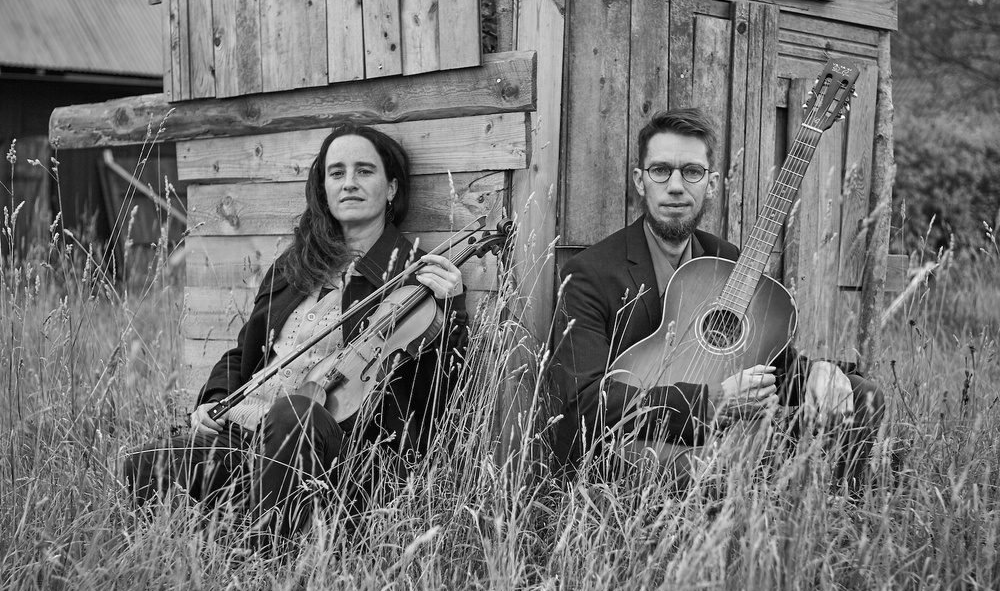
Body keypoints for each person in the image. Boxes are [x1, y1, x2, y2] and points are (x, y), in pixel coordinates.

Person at [125, 123, 466, 538]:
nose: (349, 183)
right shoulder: (295, 266)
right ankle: (221, 533)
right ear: (323, 189)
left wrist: (452, 311)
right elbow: (244, 353)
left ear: (392, 188)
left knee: (294, 411)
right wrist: (213, 401)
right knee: (146, 462)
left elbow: (437, 391)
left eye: (365, 171)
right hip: (246, 434)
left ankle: (268, 557)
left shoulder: (411, 275)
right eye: (336, 173)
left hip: (335, 450)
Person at [551, 107, 884, 488]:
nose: (676, 186)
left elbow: (768, 360)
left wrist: (821, 371)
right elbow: (585, 402)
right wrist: (712, 401)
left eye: (691, 172)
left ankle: (840, 514)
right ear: (640, 182)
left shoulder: (729, 259)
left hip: (723, 441)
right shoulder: (589, 274)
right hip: (626, 455)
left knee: (862, 396)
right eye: (661, 170)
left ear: (710, 184)